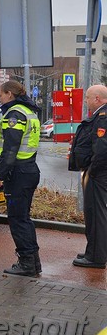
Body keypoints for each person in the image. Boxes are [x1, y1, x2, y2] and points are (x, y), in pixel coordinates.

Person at [0, 80, 42, 277]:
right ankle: (33, 262)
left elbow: (11, 149)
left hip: (18, 173)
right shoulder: (29, 111)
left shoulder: (15, 115)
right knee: (23, 219)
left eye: (0, 95)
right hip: (29, 170)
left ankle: (27, 263)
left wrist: (0, 175)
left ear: (9, 94)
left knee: (17, 220)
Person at [69, 84, 107, 269]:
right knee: (92, 214)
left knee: (96, 214)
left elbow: (101, 149)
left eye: (87, 97)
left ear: (97, 99)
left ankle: (96, 257)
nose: (86, 101)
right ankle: (93, 251)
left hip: (98, 175)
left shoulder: (103, 118)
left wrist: (92, 169)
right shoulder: (100, 116)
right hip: (97, 173)